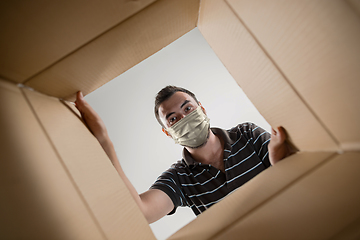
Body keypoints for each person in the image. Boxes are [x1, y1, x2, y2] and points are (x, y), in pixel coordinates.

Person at [75, 86, 293, 224]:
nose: (183, 118)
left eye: (187, 109)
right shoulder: (179, 179)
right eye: (172, 119)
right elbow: (142, 213)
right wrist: (104, 141)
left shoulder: (247, 134)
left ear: (202, 110)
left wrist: (278, 162)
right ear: (168, 133)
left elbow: (293, 172)